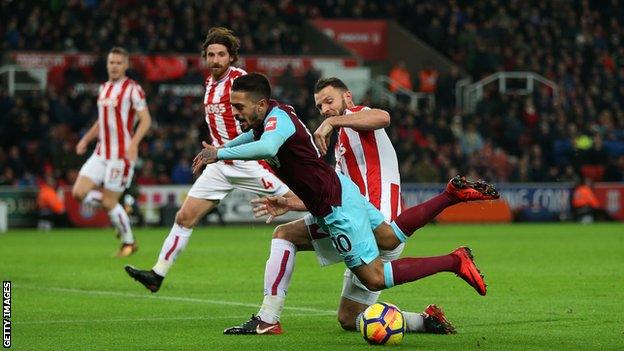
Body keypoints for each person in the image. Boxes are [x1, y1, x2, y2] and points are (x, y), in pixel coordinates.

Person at [193, 73, 499, 333]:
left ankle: (453, 261)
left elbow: (383, 117)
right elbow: (261, 147)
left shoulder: (348, 116)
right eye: (320, 106)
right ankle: (425, 314)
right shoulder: (285, 126)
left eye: (329, 101)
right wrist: (223, 150)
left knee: (375, 275)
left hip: (344, 209)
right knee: (349, 314)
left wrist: (218, 155)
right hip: (346, 197)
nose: (324, 110)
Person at [124, 27, 293, 290]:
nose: (215, 60)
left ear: (231, 57)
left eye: (221, 55)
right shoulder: (209, 83)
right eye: (211, 54)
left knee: (302, 199)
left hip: (250, 161)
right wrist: (212, 152)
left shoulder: (240, 80)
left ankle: (340, 229)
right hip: (219, 164)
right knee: (184, 217)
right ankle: (157, 274)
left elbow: (262, 112)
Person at [72, 47, 152, 257]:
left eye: (118, 63)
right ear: (107, 65)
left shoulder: (133, 89)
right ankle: (120, 207)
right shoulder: (104, 88)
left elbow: (146, 120)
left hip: (121, 156)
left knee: (108, 202)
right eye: (111, 63)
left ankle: (129, 242)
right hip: (100, 153)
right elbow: (102, 121)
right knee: (78, 193)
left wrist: (134, 143)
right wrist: (85, 139)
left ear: (125, 65)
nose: (114, 66)